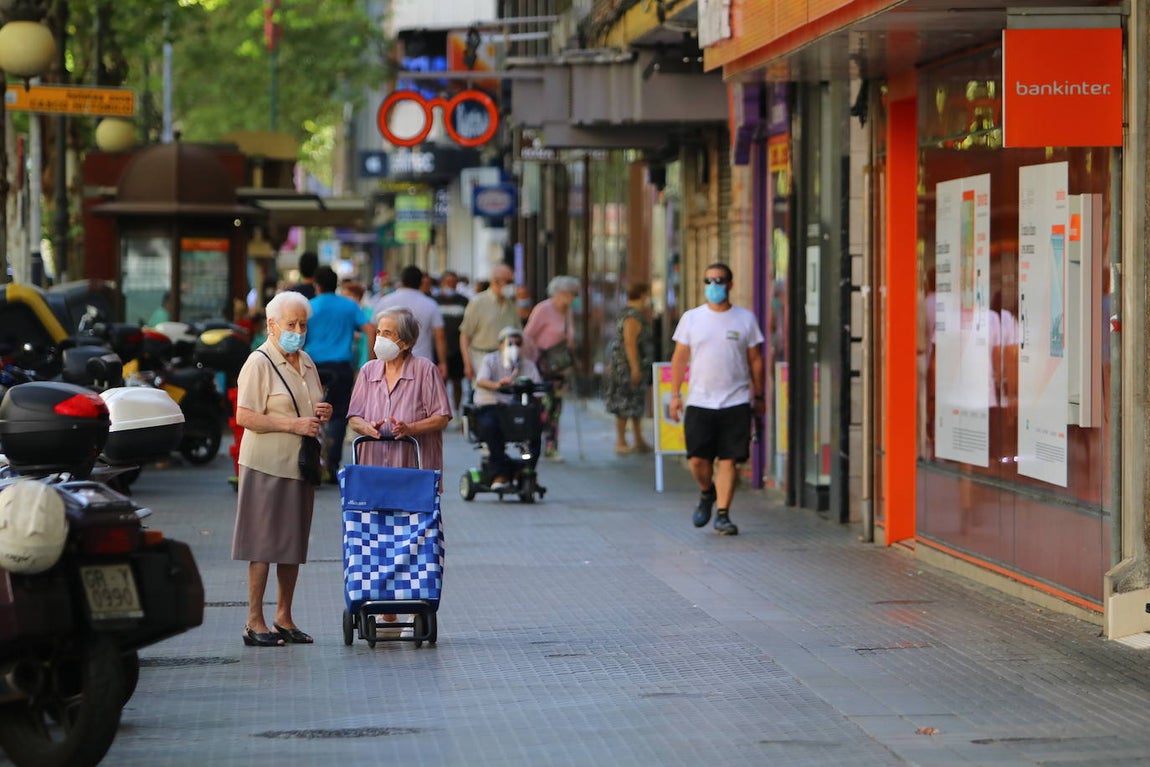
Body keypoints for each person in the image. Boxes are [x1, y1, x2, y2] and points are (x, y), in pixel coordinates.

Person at [232, 290, 333, 647]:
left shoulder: (306, 360)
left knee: (292, 544)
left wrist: (323, 413)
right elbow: (244, 416)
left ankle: (283, 616)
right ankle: (254, 619)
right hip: (265, 464)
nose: (298, 330)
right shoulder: (258, 362)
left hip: (299, 465)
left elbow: (312, 404)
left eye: (302, 324)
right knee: (262, 544)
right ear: (271, 325)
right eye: (291, 324)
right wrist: (293, 426)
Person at [347, 306, 452, 630]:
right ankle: (384, 606)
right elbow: (354, 417)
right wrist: (368, 427)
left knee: (415, 538)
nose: (380, 338)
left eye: (387, 333)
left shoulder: (425, 370)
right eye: (379, 332)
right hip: (375, 469)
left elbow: (442, 416)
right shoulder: (368, 371)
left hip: (414, 469)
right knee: (377, 537)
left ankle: (414, 601)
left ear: (405, 342)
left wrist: (411, 428)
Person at [668, 263, 765, 536]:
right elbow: (679, 358)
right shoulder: (692, 318)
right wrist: (675, 395)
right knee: (698, 460)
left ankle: (723, 514)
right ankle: (706, 492)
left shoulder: (745, 319)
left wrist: (759, 394)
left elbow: (756, 360)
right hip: (700, 400)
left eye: (719, 280)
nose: (713, 286)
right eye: (708, 280)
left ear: (730, 285)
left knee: (729, 459)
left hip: (735, 400)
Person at [306, 265, 376, 482]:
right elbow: (370, 329)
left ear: (316, 285)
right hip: (340, 368)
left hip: (311, 368)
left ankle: (310, 463)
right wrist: (371, 361)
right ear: (335, 284)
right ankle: (332, 465)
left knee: (309, 413)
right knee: (337, 415)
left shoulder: (308, 306)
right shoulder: (348, 305)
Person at [474, 326, 543, 489]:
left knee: (535, 430)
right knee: (491, 427)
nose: (514, 347)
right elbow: (481, 380)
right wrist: (497, 385)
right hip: (491, 406)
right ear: (501, 345)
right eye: (510, 343)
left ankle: (526, 470)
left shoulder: (527, 365)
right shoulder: (490, 360)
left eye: (518, 343)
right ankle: (500, 473)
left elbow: (538, 389)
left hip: (515, 410)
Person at [522, 275, 580, 459]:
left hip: (560, 367)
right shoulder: (543, 309)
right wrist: (532, 358)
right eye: (571, 294)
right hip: (542, 366)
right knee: (542, 408)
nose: (573, 298)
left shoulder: (567, 311)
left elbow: (569, 336)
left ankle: (551, 447)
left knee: (556, 409)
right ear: (560, 293)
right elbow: (527, 335)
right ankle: (532, 444)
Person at [604, 281, 655, 454]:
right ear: (642, 296)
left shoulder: (626, 313)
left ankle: (638, 438)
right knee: (624, 403)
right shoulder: (632, 316)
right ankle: (621, 441)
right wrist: (634, 368)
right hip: (627, 368)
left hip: (626, 365)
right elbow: (629, 343)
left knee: (635, 403)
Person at [372, 265, 447, 373]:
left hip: (388, 363)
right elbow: (440, 336)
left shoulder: (384, 302)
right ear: (421, 282)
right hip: (422, 363)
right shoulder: (430, 304)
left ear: (401, 280)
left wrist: (372, 358)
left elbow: (374, 330)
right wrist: (442, 362)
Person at [459, 263, 520, 384]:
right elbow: (465, 335)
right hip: (481, 357)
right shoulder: (478, 302)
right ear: (496, 281)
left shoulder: (511, 305)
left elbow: (518, 331)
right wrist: (467, 364)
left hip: (506, 358)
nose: (511, 285)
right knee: (484, 397)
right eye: (508, 281)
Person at [435, 270, 470, 419]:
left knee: (457, 382)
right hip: (439, 348)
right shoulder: (434, 301)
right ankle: (439, 412)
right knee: (439, 383)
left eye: (453, 282)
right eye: (448, 281)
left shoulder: (464, 301)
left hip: (457, 349)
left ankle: (456, 412)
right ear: (442, 282)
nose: (451, 285)